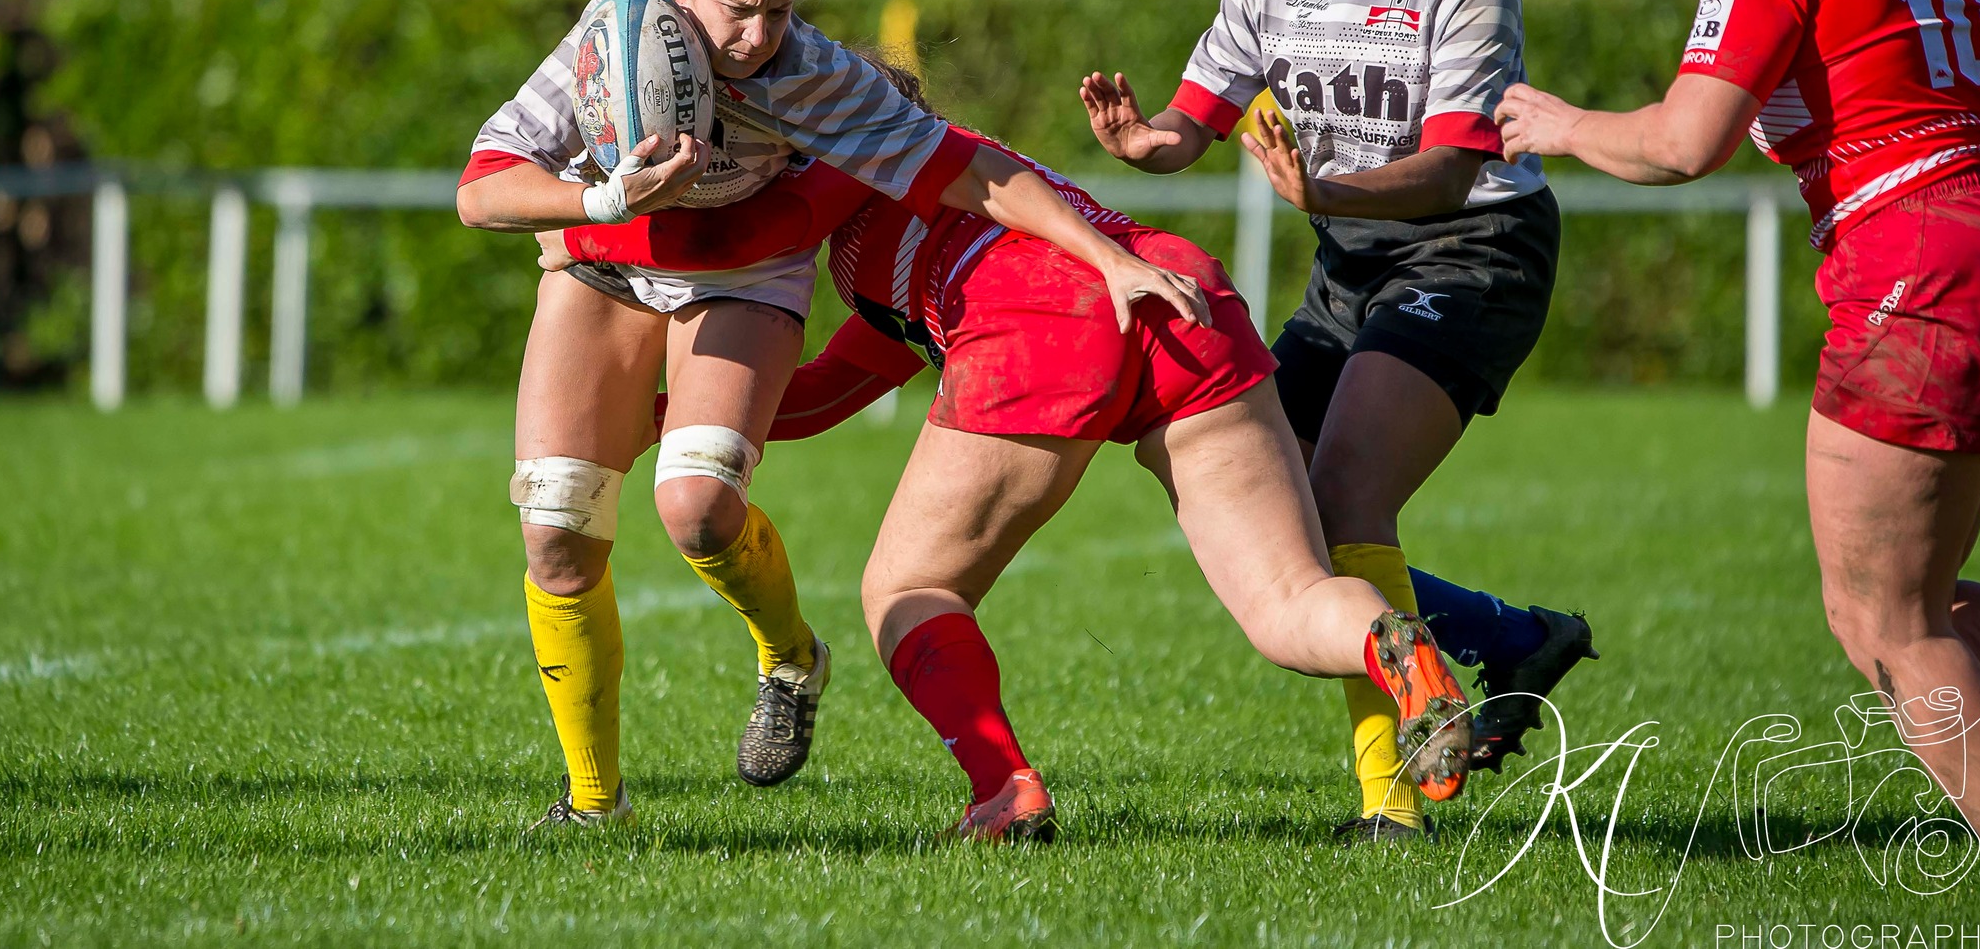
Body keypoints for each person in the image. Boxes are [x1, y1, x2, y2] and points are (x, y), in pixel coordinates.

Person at [456, 0, 1209, 828]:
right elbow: (481, 189)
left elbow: (970, 167)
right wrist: (595, 195)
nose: (761, 31)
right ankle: (595, 803)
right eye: (740, 6)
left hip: (740, 283)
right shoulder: (608, 37)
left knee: (697, 508)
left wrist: (1108, 253)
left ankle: (791, 658)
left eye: (779, 6)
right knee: (556, 524)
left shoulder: (809, 71)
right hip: (604, 268)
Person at [550, 70, 1474, 843]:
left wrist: (577, 221)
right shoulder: (928, 201)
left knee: (906, 591)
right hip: (1172, 288)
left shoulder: (862, 145)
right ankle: (1386, 641)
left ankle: (1005, 788)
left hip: (1042, 316)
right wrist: (676, 418)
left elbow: (748, 237)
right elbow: (836, 386)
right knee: (1288, 602)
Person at [1496, 0, 1980, 912]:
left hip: (1920, 271)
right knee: (1925, 595)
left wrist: (1560, 122)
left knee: (1880, 613)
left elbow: (1684, 144)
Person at [1079, 0, 1595, 840]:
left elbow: (1453, 174)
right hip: (1349, 258)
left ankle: (1393, 809)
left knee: (1345, 494)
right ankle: (1507, 639)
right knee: (1241, 493)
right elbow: (1191, 119)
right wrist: (1139, 141)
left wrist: (1324, 193)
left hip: (1470, 252)